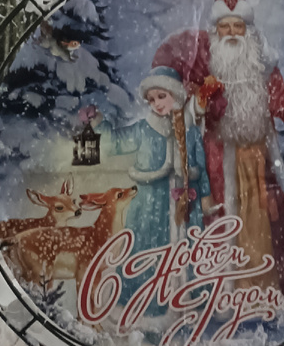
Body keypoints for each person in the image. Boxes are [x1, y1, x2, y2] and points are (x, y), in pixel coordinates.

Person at [152, 0, 284, 294]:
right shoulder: (204, 70)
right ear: (215, 31)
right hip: (217, 164)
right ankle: (221, 295)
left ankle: (258, 292)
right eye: (225, 26)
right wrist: (202, 101)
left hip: (260, 166)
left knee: (262, 231)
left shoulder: (262, 69)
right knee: (220, 228)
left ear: (249, 31)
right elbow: (185, 120)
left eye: (238, 26)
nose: (232, 33)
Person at [91, 66, 212, 274]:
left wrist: (206, 196)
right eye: (151, 100)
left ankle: (187, 288)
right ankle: (148, 290)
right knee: (147, 255)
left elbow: (200, 166)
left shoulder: (190, 131)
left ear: (176, 95)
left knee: (187, 254)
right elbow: (114, 143)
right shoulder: (143, 130)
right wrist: (99, 123)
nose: (156, 103)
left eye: (161, 96)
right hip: (149, 207)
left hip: (186, 208)